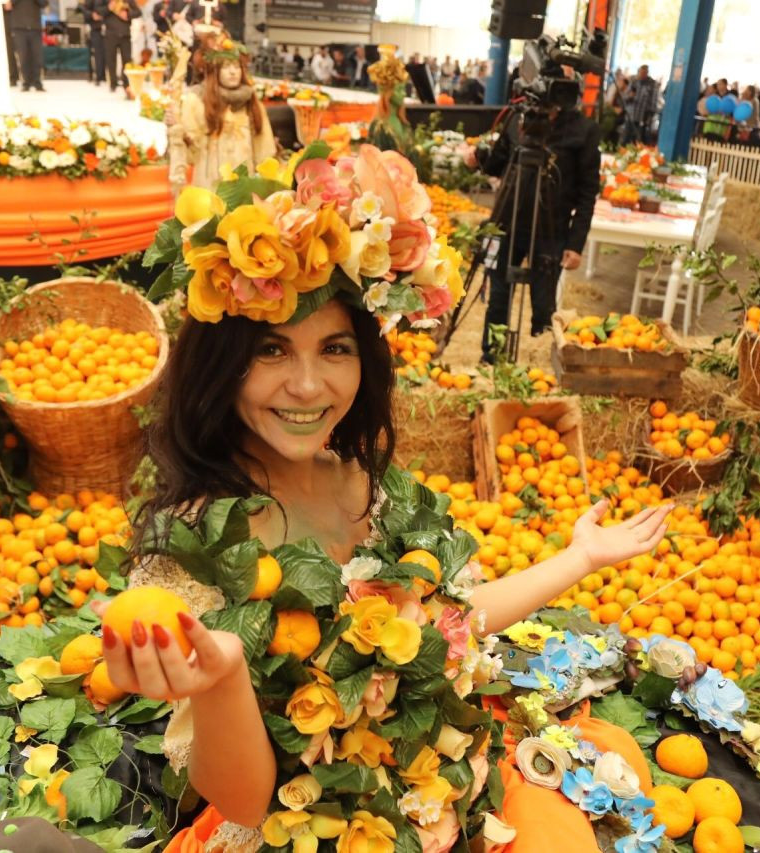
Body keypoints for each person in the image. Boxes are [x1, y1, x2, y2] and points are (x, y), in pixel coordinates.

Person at [98, 190, 675, 847]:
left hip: (436, 798)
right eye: (271, 350)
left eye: (335, 348)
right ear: (221, 365)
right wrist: (225, 678)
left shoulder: (372, 490)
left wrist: (580, 558)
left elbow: (454, 621)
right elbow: (246, 798)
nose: (309, 385)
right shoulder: (197, 546)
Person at [469, 95, 601, 356]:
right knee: (498, 299)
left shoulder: (583, 130)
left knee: (543, 306)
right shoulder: (518, 117)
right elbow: (498, 163)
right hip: (506, 224)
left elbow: (588, 193)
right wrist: (478, 158)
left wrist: (576, 243)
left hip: (551, 231)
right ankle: (492, 358)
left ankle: (540, 364)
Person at [173, 37, 275, 189]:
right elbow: (190, 151)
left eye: (237, 66)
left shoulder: (251, 102)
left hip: (243, 185)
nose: (233, 72)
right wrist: (177, 131)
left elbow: (264, 149)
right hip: (209, 184)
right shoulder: (197, 100)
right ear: (215, 71)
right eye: (226, 67)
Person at [6, 0, 46, 92]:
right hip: (19, 27)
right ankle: (26, 82)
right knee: (23, 56)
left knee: (37, 56)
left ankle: (37, 82)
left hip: (35, 27)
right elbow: (8, 5)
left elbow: (44, 3)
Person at [620, 64, 659, 145]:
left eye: (644, 73)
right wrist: (629, 96)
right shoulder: (634, 82)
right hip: (631, 115)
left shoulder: (652, 84)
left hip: (642, 117)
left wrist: (650, 116)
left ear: (647, 73)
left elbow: (653, 102)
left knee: (638, 140)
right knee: (626, 138)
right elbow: (624, 96)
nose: (642, 75)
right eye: (640, 73)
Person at [103, 0, 132, 96]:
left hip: (125, 35)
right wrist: (109, 8)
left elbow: (138, 12)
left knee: (127, 61)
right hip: (111, 35)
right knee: (111, 60)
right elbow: (99, 12)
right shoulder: (106, 1)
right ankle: (113, 84)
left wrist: (127, 14)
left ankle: (126, 84)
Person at [84, 0, 105, 85]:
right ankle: (93, 75)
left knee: (103, 54)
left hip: (106, 27)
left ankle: (102, 76)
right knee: (94, 54)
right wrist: (92, 14)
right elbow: (83, 8)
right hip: (93, 27)